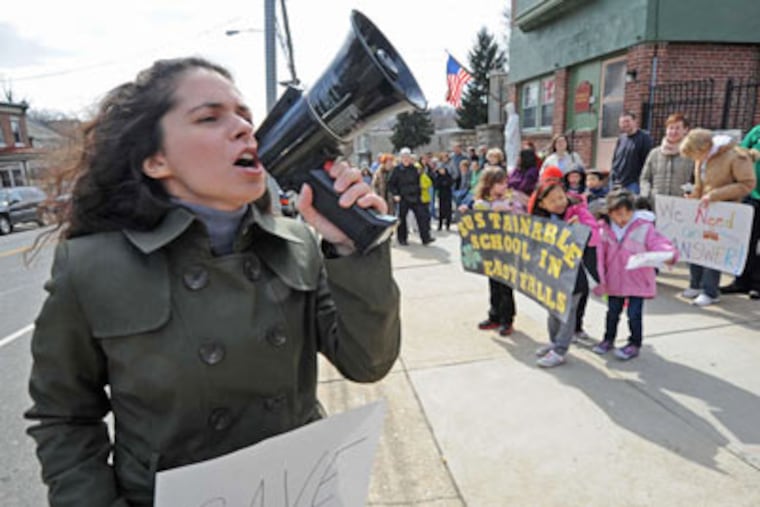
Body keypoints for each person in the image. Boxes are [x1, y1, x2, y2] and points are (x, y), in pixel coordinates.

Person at [23, 57, 401, 507]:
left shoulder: (298, 241)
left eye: (244, 115)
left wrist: (353, 250)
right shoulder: (90, 267)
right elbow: (63, 416)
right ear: (155, 159)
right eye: (209, 117)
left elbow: (368, 363)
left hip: (300, 491)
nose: (244, 128)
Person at [591, 189, 679, 360]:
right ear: (609, 213)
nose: (623, 219)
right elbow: (599, 257)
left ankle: (634, 343)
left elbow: (659, 243)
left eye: (627, 214)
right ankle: (608, 339)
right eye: (618, 215)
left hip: (638, 280)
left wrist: (669, 254)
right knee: (612, 312)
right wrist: (600, 280)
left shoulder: (644, 227)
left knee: (635, 314)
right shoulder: (603, 229)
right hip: (614, 280)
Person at [679, 128, 756, 306]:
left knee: (713, 252)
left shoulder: (735, 156)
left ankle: (710, 291)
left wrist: (715, 195)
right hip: (704, 210)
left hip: (724, 211)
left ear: (705, 147)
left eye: (695, 155)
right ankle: (696, 284)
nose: (695, 160)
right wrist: (693, 195)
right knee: (695, 246)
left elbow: (747, 184)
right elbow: (701, 184)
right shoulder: (702, 158)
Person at [529, 180, 599, 368]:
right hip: (554, 273)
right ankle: (554, 342)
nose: (560, 202)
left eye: (561, 197)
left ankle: (560, 350)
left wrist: (580, 229)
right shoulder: (542, 219)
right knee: (553, 309)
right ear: (542, 204)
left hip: (577, 274)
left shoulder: (579, 212)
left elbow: (595, 236)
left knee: (567, 312)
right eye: (553, 200)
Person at [472, 166, 525, 337]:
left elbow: (522, 215)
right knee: (493, 284)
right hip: (490, 249)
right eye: (500, 183)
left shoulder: (510, 200)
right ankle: (494, 316)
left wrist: (508, 210)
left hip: (507, 248)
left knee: (505, 286)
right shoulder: (482, 201)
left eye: (505, 183)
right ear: (489, 184)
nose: (504, 186)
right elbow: (476, 218)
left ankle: (507, 320)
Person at [721, 124, 760, 299]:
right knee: (746, 241)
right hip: (751, 195)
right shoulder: (757, 131)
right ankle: (741, 280)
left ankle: (757, 284)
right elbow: (741, 151)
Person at [639, 112, 693, 208]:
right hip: (655, 204)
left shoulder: (691, 154)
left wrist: (692, 193)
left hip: (681, 206)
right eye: (671, 128)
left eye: (677, 128)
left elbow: (697, 181)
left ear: (685, 130)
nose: (673, 131)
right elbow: (644, 178)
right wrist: (646, 194)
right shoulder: (654, 153)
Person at [389, 147, 435, 246]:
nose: (406, 159)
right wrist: (396, 194)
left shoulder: (415, 169)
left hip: (416, 197)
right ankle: (402, 239)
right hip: (403, 197)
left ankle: (425, 238)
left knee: (422, 217)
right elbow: (391, 184)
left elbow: (421, 181)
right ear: (401, 158)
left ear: (410, 158)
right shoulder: (397, 170)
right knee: (402, 219)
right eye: (404, 157)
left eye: (407, 157)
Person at [610, 111, 653, 194]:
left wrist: (641, 181)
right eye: (622, 122)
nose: (625, 124)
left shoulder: (644, 138)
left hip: (633, 183)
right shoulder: (621, 138)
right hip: (617, 182)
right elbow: (615, 159)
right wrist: (612, 176)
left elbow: (647, 161)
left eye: (627, 121)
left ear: (635, 121)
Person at [433, 157, 454, 231]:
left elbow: (450, 183)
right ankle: (440, 225)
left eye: (443, 170)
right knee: (441, 210)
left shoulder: (448, 176)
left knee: (448, 210)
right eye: (440, 170)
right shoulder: (438, 177)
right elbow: (436, 185)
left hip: (448, 195)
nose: (442, 171)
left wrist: (445, 183)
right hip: (441, 195)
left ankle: (448, 225)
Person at [504, 102, 521, 171]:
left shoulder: (515, 117)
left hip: (512, 140)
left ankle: (512, 168)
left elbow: (512, 129)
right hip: (509, 140)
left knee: (513, 154)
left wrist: (507, 134)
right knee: (509, 155)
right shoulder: (510, 118)